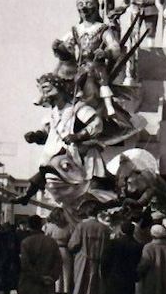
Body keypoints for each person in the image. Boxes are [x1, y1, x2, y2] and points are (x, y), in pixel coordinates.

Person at [12, 73, 104, 206]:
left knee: (51, 165)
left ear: (59, 89)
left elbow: (96, 123)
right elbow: (47, 134)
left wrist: (78, 136)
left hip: (73, 152)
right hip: (53, 151)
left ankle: (29, 194)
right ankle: (27, 194)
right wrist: (36, 136)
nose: (47, 96)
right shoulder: (53, 113)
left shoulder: (76, 108)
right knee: (45, 166)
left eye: (48, 89)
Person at [52, 0, 122, 117]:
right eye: (81, 4)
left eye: (88, 4)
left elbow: (115, 47)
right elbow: (66, 44)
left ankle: (105, 107)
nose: (84, 8)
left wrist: (106, 53)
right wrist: (58, 46)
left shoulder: (102, 29)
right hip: (80, 65)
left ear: (95, 7)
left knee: (93, 81)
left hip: (96, 65)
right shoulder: (76, 29)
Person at [100, 221, 142, 294]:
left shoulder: (114, 243)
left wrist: (105, 276)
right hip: (129, 279)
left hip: (114, 278)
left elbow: (105, 262)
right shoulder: (137, 245)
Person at [68, 203, 111, 294]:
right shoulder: (105, 228)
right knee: (94, 285)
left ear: (87, 213)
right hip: (99, 260)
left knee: (82, 285)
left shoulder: (81, 226)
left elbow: (73, 244)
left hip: (83, 260)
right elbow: (109, 247)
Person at [44, 208, 74, 294]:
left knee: (54, 276)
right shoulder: (69, 226)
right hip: (65, 251)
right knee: (66, 277)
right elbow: (73, 241)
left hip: (52, 251)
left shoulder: (48, 226)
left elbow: (45, 239)